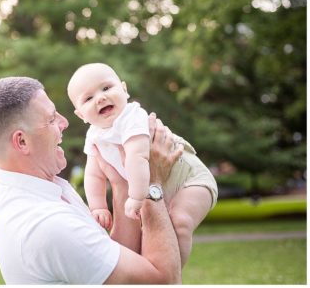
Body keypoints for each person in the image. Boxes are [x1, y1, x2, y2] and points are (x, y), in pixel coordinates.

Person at [0, 76, 183, 284]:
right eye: (51, 119)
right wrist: (151, 182)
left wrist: (121, 184)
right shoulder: (49, 224)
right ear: (22, 141)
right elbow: (164, 281)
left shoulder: (45, 190)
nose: (64, 123)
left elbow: (112, 263)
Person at [67, 62, 217, 265]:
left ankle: (170, 276)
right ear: (81, 115)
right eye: (88, 98)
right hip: (155, 184)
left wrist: (137, 197)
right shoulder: (94, 135)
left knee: (179, 222)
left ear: (124, 90)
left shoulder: (131, 117)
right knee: (153, 233)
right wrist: (98, 206)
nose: (100, 97)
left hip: (189, 178)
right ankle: (156, 274)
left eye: (106, 88)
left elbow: (138, 157)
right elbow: (93, 173)